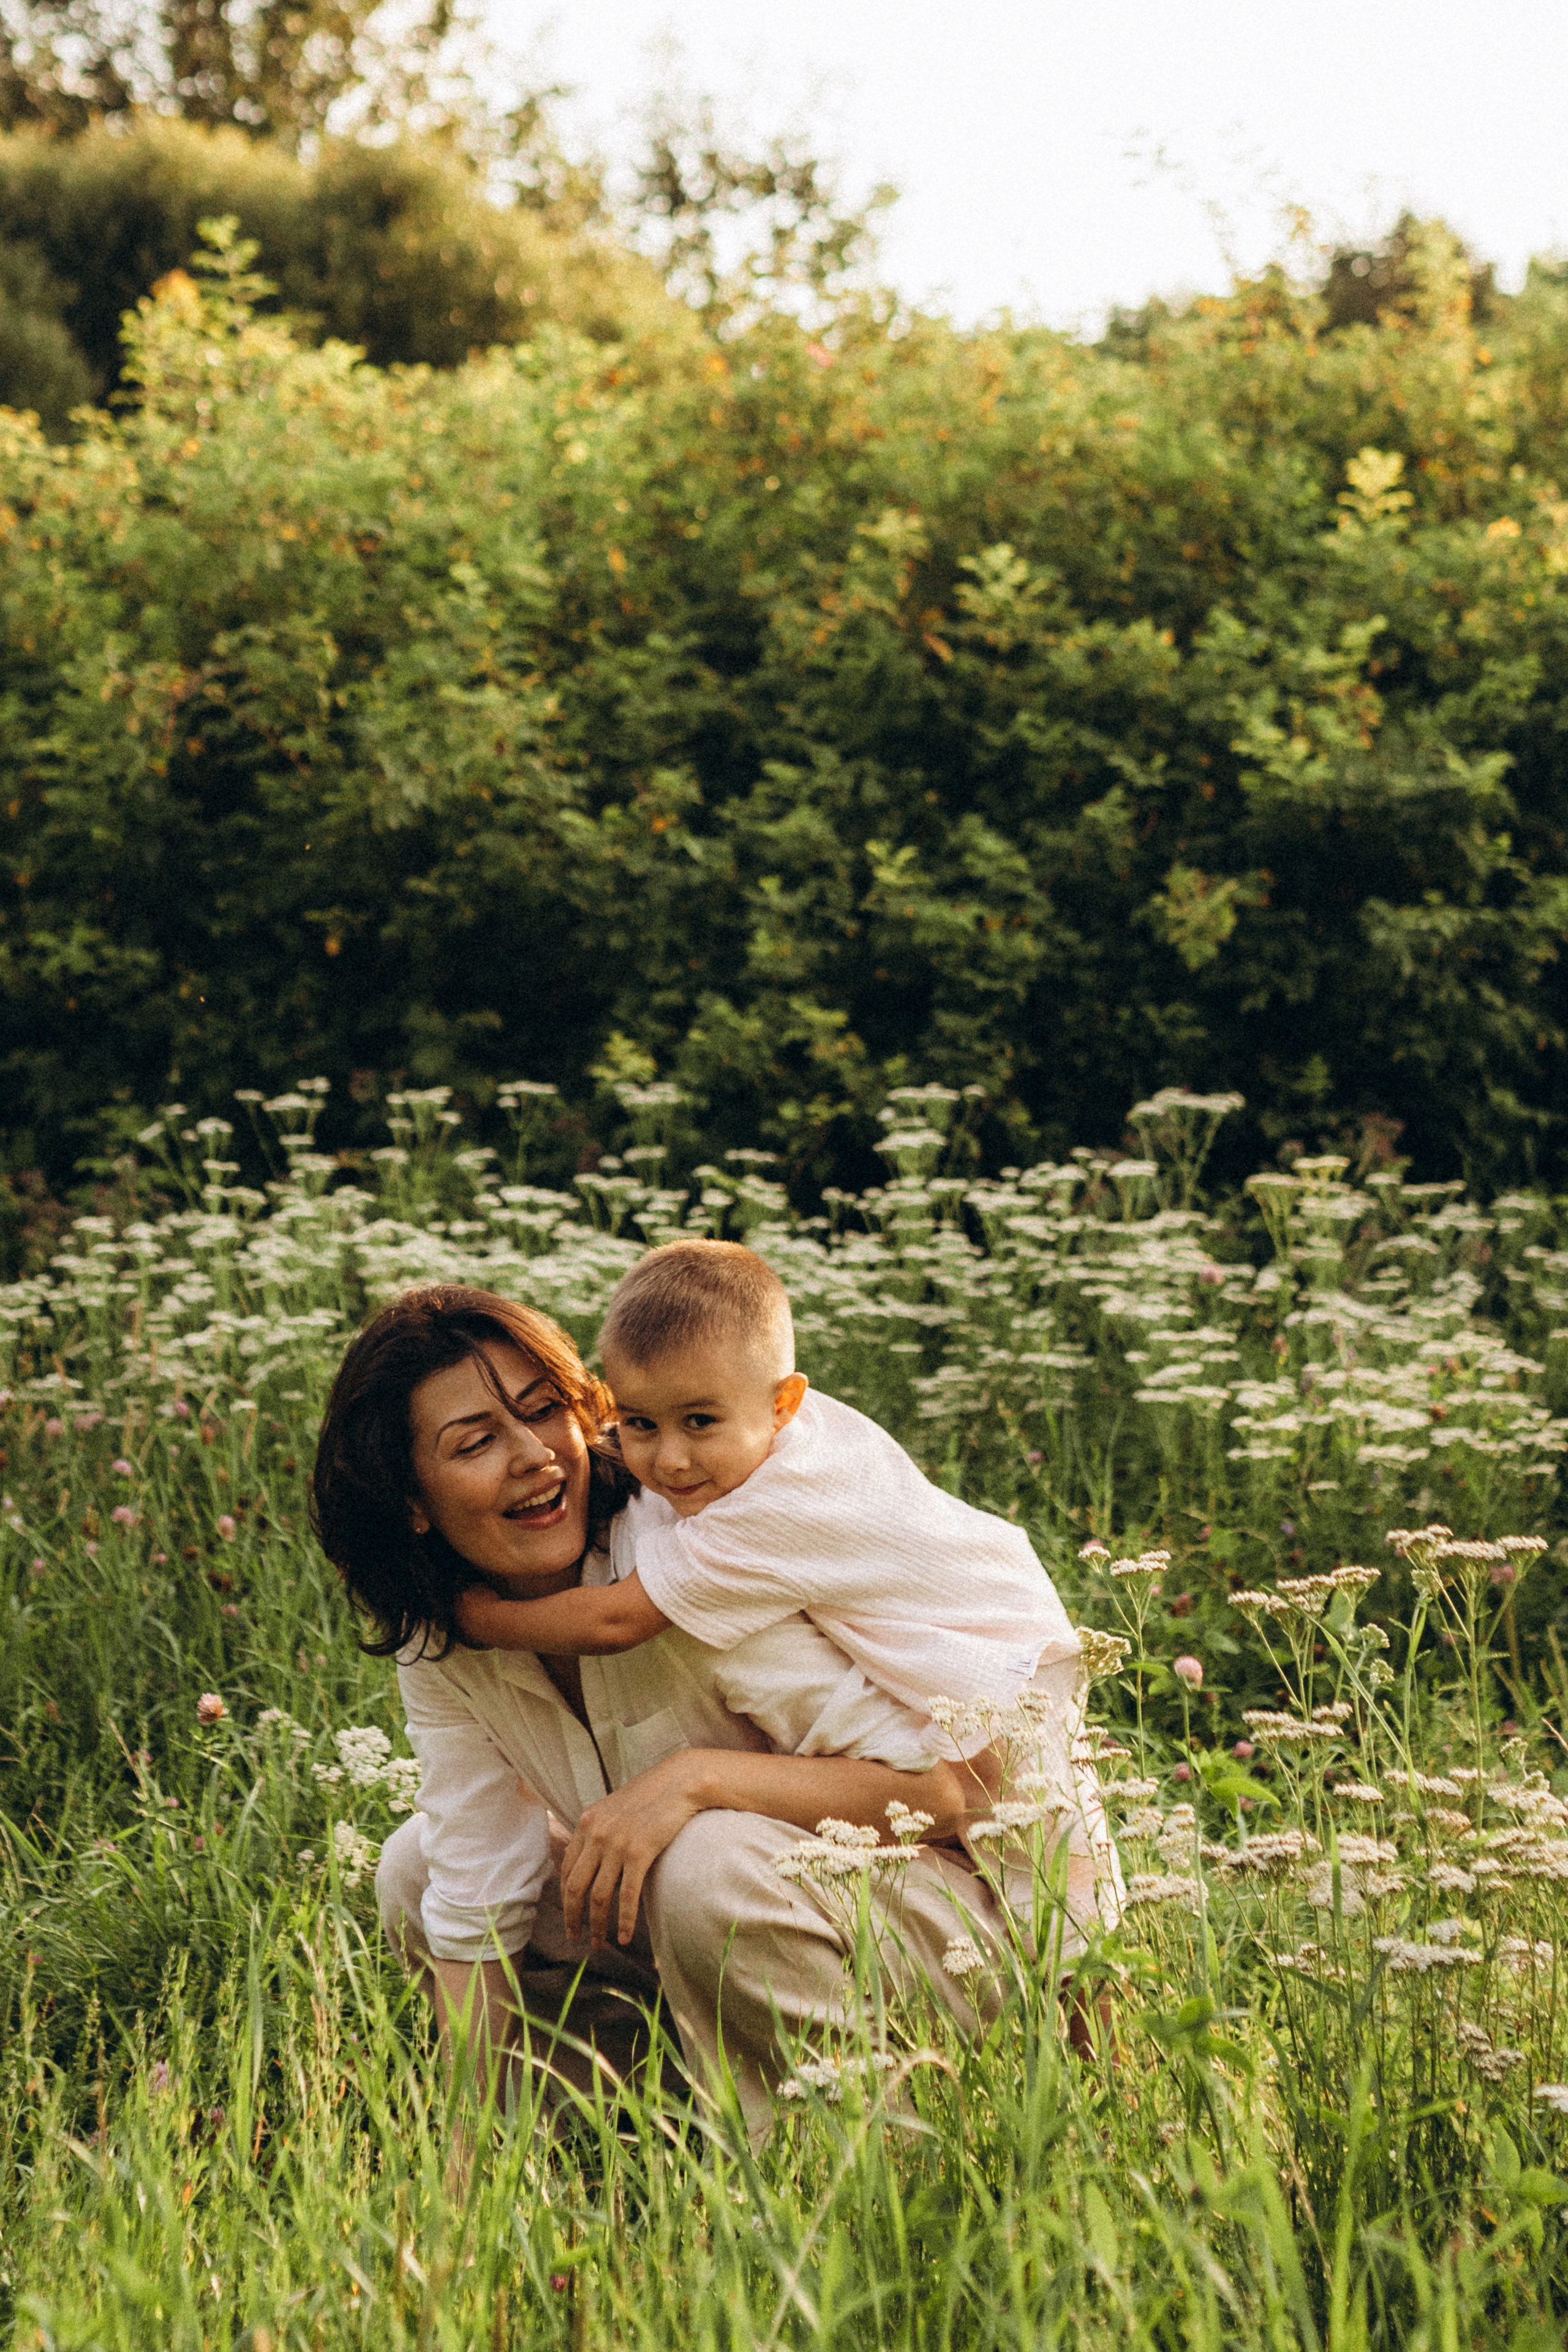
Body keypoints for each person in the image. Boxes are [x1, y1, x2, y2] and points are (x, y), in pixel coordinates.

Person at [312, 1281, 1114, 2139]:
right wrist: (461, 2178)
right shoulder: (444, 1631)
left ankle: (862, 2154)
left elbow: (940, 1796)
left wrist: (697, 1781)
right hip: (719, 1939)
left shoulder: (692, 1564)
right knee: (421, 1868)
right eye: (475, 1443)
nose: (537, 1455)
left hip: (956, 1926)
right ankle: (621, 2133)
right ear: (411, 1503)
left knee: (704, 1860)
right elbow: (475, 1891)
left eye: (545, 1411)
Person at [454, 1242, 1084, 1774]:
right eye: (639, 1422)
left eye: (699, 1421)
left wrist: (480, 1619)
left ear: (785, 1402)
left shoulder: (775, 1507)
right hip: (989, 1646)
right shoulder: (796, 1437)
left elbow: (614, 1622)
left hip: (1004, 1682)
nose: (669, 1459)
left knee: (1031, 1882)